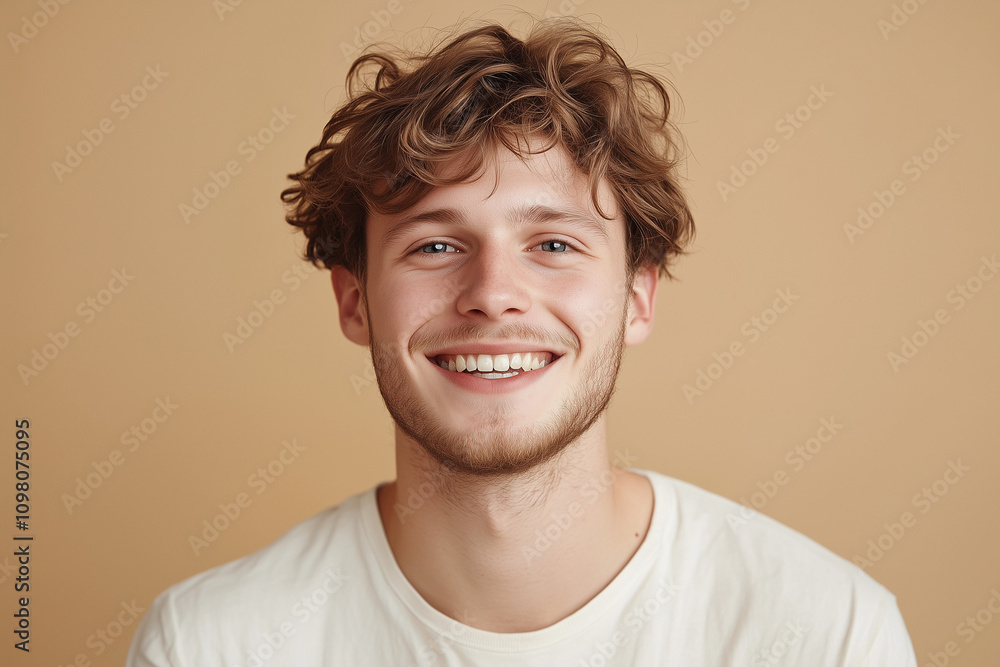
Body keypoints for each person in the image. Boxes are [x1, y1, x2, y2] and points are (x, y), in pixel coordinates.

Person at [126, 16, 917, 666]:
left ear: (638, 297)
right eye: (435, 245)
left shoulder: (829, 635)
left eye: (555, 244)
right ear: (355, 301)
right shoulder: (208, 644)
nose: (493, 294)